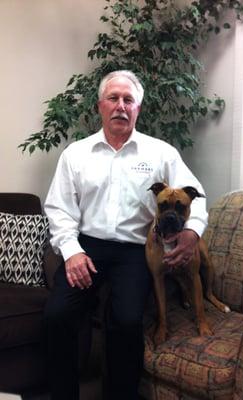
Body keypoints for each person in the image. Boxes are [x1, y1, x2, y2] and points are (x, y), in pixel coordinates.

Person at [44, 70, 208, 400]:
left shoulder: (161, 153)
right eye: (113, 98)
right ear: (100, 106)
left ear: (138, 109)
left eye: (128, 100)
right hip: (86, 247)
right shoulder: (75, 154)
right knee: (57, 315)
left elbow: (197, 195)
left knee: (127, 320)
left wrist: (192, 232)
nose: (121, 105)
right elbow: (59, 209)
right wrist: (71, 250)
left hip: (136, 250)